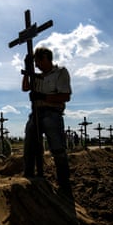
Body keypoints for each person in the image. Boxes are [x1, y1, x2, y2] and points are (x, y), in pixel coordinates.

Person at [22, 47, 72, 193]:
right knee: (29, 144)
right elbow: (25, 88)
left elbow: (65, 96)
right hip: (36, 113)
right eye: (34, 63)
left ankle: (64, 184)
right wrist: (27, 69)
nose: (36, 65)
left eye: (37, 62)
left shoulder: (60, 72)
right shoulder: (37, 76)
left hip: (52, 113)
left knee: (57, 149)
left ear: (45, 58)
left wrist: (43, 97)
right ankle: (29, 178)